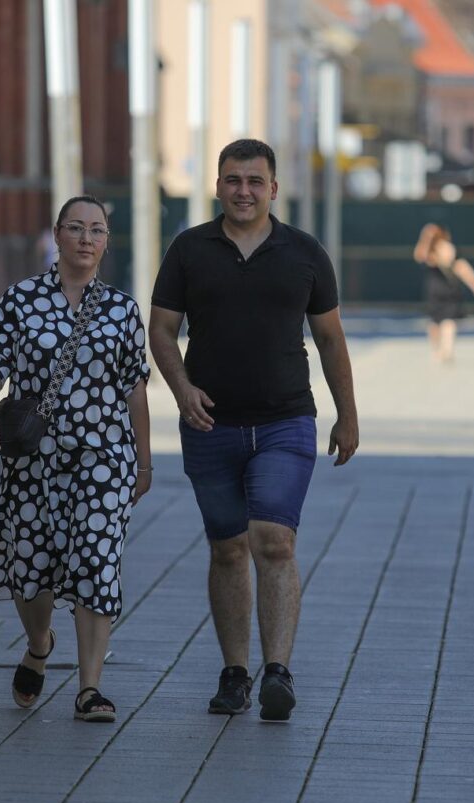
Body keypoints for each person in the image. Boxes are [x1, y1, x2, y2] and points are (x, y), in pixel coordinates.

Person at [149, 138, 359, 722]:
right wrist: (183, 389)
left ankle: (278, 672)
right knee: (225, 548)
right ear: (218, 186)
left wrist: (348, 412)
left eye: (255, 181)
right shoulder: (190, 249)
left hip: (285, 420)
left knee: (274, 540)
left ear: (273, 188)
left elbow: (331, 339)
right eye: (233, 180)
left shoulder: (305, 253)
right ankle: (235, 672)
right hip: (209, 422)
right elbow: (162, 330)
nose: (244, 191)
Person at [0, 195, 151, 723]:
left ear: (107, 240)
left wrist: (144, 461)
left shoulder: (122, 308)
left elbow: (136, 389)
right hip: (33, 457)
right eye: (75, 228)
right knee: (32, 563)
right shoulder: (21, 299)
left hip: (104, 457)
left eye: (97, 229)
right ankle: (39, 644)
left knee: (97, 560)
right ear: (57, 234)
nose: (86, 239)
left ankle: (90, 687)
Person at [412, 223, 474, 364]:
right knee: (434, 324)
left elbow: (454, 263)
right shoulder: (426, 248)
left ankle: (447, 350)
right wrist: (427, 239)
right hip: (434, 290)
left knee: (448, 322)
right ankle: (438, 350)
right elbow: (419, 256)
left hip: (447, 288)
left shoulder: (446, 247)